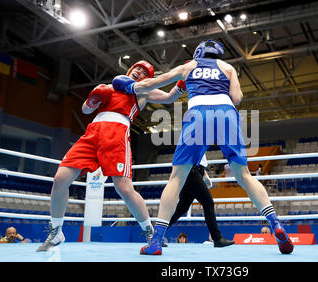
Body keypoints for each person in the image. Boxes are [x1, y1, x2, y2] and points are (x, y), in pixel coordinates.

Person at [113, 39, 294, 255]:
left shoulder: (188, 66)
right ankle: (275, 224)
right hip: (227, 113)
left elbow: (154, 83)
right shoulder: (228, 67)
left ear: (199, 52)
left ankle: (156, 241)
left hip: (198, 113)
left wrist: (128, 85)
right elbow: (237, 98)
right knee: (244, 175)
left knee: (176, 178)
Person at [36, 61, 186, 252]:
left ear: (145, 78)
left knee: (124, 188)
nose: (139, 72)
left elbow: (169, 97)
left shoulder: (142, 91)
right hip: (92, 133)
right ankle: (56, 230)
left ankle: (150, 232)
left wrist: (183, 78)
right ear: (130, 70)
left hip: (117, 133)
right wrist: (93, 100)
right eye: (137, 68)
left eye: (144, 72)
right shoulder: (108, 88)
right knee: (60, 179)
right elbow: (85, 110)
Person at [165, 154, 234, 248]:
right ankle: (217, 238)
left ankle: (157, 235)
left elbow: (198, 157)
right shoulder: (195, 140)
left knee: (182, 208)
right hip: (192, 172)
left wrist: (204, 175)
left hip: (192, 172)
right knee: (208, 203)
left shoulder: (198, 142)